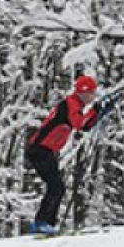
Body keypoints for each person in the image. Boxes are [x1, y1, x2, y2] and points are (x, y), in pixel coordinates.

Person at [25, 75, 101, 235]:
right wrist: (95, 111)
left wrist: (98, 113)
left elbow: (85, 125)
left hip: (46, 150)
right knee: (56, 186)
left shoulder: (75, 105)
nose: (93, 96)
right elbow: (80, 124)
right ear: (83, 92)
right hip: (40, 149)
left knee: (57, 187)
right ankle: (41, 223)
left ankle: (47, 224)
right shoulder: (71, 103)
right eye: (91, 93)